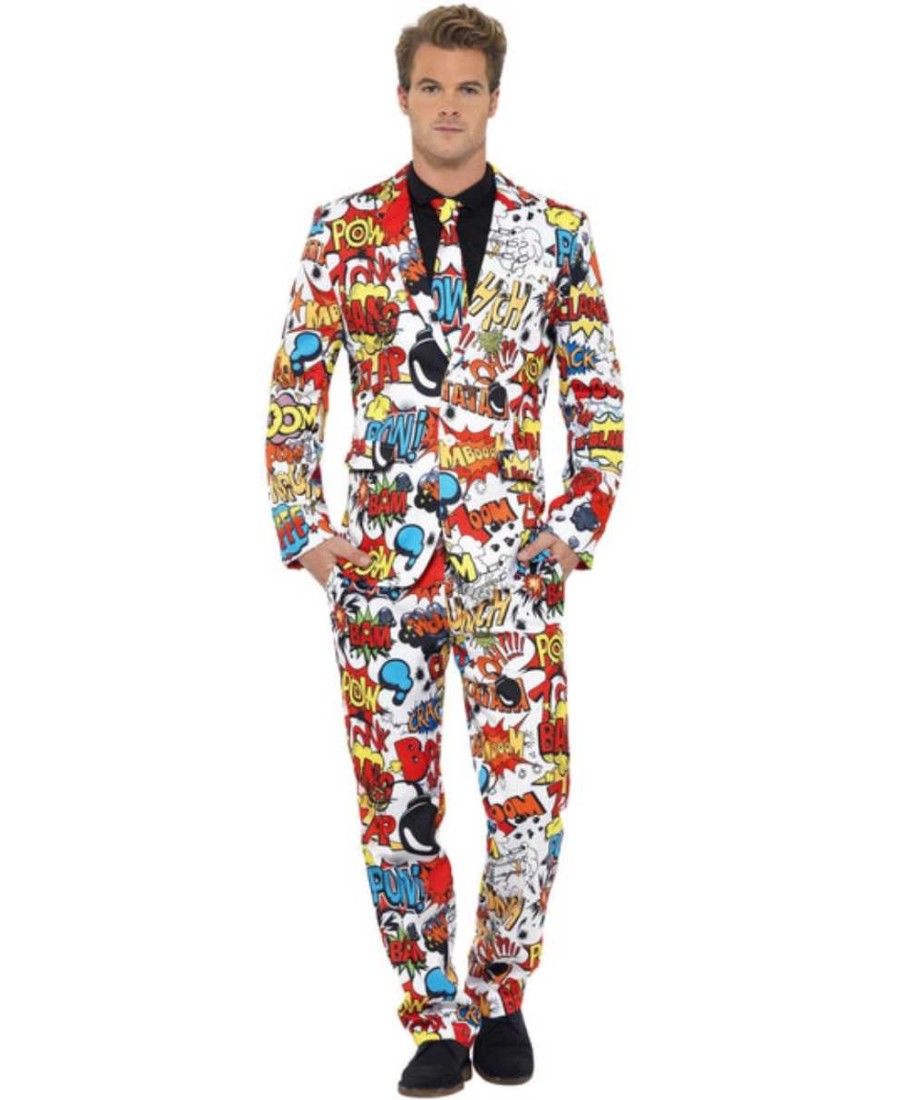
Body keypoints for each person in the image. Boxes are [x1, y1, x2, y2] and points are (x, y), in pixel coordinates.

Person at [264, 4, 624, 1094]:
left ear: (495, 99)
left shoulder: (556, 233)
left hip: (512, 575)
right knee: (398, 807)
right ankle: (432, 1016)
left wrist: (567, 533)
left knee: (529, 805)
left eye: (469, 87)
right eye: (433, 86)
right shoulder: (342, 232)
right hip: (381, 580)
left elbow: (597, 401)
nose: (450, 105)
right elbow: (295, 394)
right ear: (403, 96)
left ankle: (499, 996)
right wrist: (308, 534)